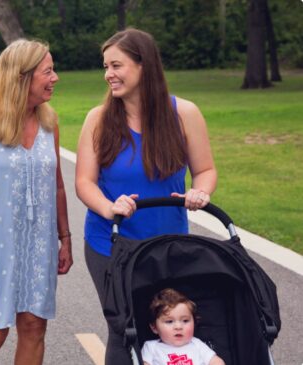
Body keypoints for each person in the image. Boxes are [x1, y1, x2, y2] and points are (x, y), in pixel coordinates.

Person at [75, 28, 217, 364]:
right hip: (110, 243)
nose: (108, 74)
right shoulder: (98, 119)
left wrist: (200, 192)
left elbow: (206, 169)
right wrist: (109, 208)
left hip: (168, 244)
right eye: (105, 66)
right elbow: (84, 182)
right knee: (125, 328)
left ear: (144, 66)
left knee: (170, 325)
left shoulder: (185, 114)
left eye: (117, 65)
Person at [0, 38, 73, 365]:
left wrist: (65, 239)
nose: (55, 78)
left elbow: (58, 186)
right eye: (48, 72)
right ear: (22, 77)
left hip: (39, 246)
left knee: (34, 326)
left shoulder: (50, 123)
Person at [142, 288, 225, 365]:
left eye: (185, 321)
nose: (178, 327)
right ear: (154, 328)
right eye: (169, 321)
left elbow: (216, 361)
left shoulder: (197, 344)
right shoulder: (151, 347)